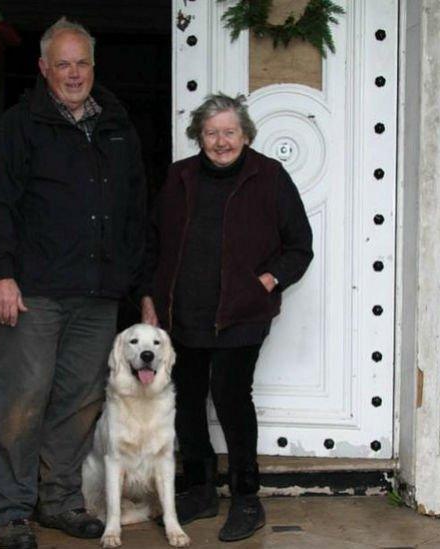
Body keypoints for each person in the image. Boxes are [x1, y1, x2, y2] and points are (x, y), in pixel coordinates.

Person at [0, 17, 147, 549]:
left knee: (78, 402)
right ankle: (12, 510)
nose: (74, 74)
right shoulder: (22, 125)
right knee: (22, 401)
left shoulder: (117, 124)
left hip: (97, 293)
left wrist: (137, 286)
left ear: (94, 67)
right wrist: (0, 273)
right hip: (36, 290)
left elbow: (135, 210)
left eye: (83, 63)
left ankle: (60, 500)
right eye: (63, 64)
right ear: (44, 69)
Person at [140, 93, 313, 542]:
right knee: (189, 401)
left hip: (240, 313)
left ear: (246, 135)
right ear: (199, 135)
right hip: (183, 314)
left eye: (229, 132)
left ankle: (245, 497)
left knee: (232, 398)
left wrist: (268, 281)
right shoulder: (179, 177)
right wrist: (149, 299)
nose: (221, 142)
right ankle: (199, 489)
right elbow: (152, 243)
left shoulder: (269, 177)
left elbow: (299, 245)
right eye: (211, 132)